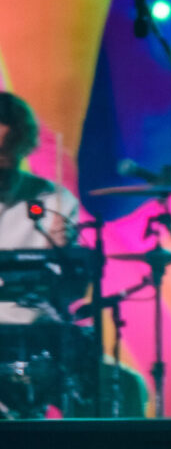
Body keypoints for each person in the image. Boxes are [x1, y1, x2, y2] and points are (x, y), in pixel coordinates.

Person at [0, 91, 79, 324]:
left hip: (32, 327)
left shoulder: (55, 200)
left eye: (5, 155)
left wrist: (62, 256)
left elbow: (71, 290)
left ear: (23, 146)